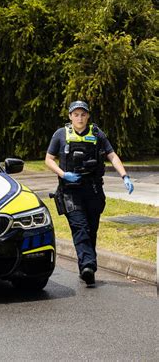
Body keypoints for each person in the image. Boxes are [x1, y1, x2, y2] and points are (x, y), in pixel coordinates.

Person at [45, 100, 133, 288]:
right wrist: (63, 174)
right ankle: (88, 267)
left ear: (88, 116)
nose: (80, 118)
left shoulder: (97, 134)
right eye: (76, 114)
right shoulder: (61, 135)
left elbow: (112, 155)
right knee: (81, 227)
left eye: (83, 114)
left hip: (93, 190)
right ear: (70, 116)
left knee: (91, 230)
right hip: (70, 192)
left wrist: (124, 176)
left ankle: (86, 266)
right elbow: (49, 159)